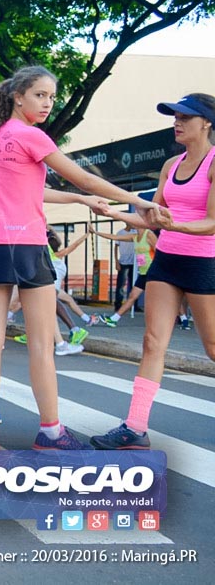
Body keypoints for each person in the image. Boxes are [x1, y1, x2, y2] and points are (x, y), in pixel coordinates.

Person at [0, 65, 156, 451]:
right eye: (40, 95)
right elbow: (83, 177)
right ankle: (50, 431)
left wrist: (79, 200)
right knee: (41, 344)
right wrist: (138, 199)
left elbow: (30, 190)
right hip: (28, 244)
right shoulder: (31, 135)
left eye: (52, 97)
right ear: (18, 96)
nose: (48, 103)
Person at [91, 93, 215, 450]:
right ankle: (135, 427)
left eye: (185, 117)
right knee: (151, 343)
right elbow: (150, 217)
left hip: (203, 263)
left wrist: (172, 225)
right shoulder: (170, 166)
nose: (177, 122)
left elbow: (210, 223)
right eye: (174, 116)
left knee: (212, 347)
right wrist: (112, 212)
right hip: (167, 262)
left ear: (206, 122)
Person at [92, 224, 157, 326]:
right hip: (144, 272)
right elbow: (115, 237)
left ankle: (181, 318)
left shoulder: (149, 235)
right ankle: (114, 319)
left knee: (158, 298)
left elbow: (159, 252)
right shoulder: (134, 236)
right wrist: (96, 232)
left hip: (153, 272)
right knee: (132, 296)